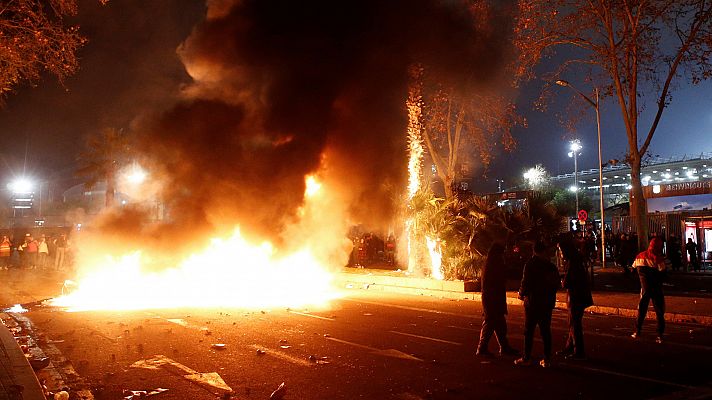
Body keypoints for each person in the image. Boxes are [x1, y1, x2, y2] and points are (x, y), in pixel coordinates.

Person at [515, 240, 560, 368]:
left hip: (533, 302)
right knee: (545, 331)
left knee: (529, 330)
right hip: (546, 302)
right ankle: (547, 359)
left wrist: (521, 293)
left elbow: (526, 281)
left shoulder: (530, 264)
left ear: (534, 250)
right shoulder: (549, 265)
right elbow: (556, 283)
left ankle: (527, 357)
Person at [476, 243, 519, 357]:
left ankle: (504, 347)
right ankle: (482, 348)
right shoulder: (494, 264)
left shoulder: (490, 263)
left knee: (499, 324)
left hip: (493, 298)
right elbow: (501, 277)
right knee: (490, 323)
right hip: (492, 299)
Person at [558, 237, 593, 360]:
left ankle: (578, 351)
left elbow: (569, 281)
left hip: (576, 296)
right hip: (579, 295)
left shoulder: (573, 262)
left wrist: (563, 281)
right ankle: (570, 346)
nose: (560, 253)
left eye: (561, 250)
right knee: (572, 322)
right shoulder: (576, 259)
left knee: (574, 323)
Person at [631, 237, 667, 343]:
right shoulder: (657, 258)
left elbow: (632, 268)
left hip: (644, 289)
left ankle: (637, 331)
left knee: (641, 310)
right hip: (656, 288)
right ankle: (660, 334)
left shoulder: (640, 256)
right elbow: (663, 272)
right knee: (659, 312)